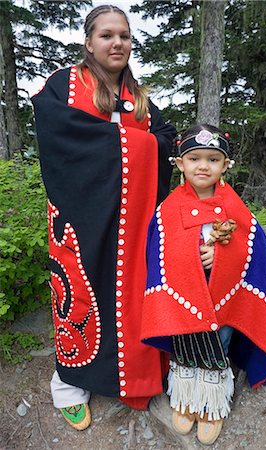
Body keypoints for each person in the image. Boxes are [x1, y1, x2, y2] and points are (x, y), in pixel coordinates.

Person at [31, 4, 176, 430]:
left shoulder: (140, 97)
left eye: (125, 36)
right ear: (89, 42)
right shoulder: (65, 85)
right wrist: (134, 144)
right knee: (81, 295)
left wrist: (138, 146)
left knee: (132, 297)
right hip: (81, 216)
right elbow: (60, 137)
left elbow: (164, 139)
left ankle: (134, 375)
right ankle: (69, 384)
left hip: (132, 222)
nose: (117, 43)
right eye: (107, 35)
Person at [141, 124, 266, 445]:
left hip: (222, 296)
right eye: (194, 158)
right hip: (182, 298)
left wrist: (222, 256)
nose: (203, 166)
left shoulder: (234, 207)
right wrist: (191, 255)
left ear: (225, 165)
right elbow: (160, 249)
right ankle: (186, 398)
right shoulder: (168, 209)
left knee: (218, 344)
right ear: (180, 164)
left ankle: (212, 405)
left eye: (212, 159)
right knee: (185, 346)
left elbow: (252, 250)